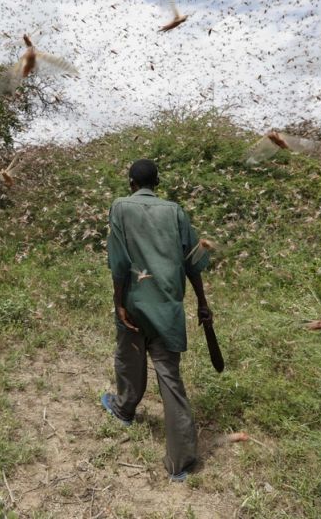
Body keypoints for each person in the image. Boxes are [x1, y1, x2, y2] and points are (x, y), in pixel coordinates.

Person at [100, 158, 212, 481]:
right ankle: (181, 462)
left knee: (129, 357)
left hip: (135, 303)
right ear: (157, 184)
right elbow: (194, 260)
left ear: (131, 183)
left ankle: (123, 408)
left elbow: (119, 262)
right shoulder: (175, 212)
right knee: (170, 380)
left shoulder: (120, 207)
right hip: (167, 308)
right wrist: (203, 304)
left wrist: (118, 302)